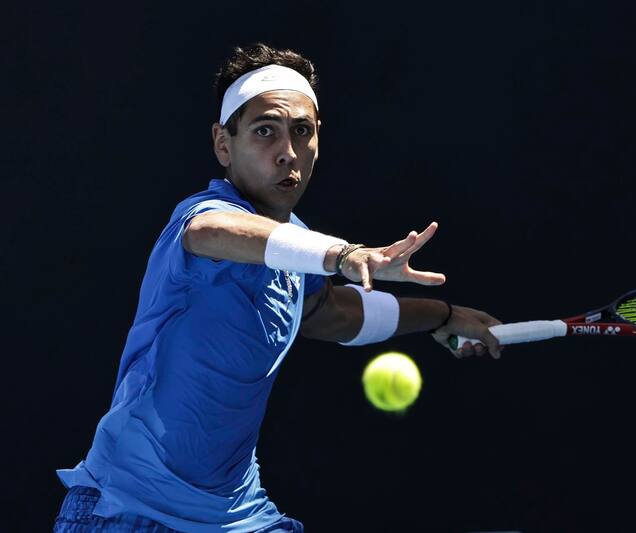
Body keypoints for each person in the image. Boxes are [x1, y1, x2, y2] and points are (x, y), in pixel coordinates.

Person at [53, 43, 504, 533]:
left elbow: (327, 312)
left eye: (302, 132)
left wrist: (441, 314)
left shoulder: (298, 248)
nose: (287, 151)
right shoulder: (201, 217)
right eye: (265, 130)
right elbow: (214, 234)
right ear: (223, 145)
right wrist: (344, 255)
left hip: (237, 515)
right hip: (128, 508)